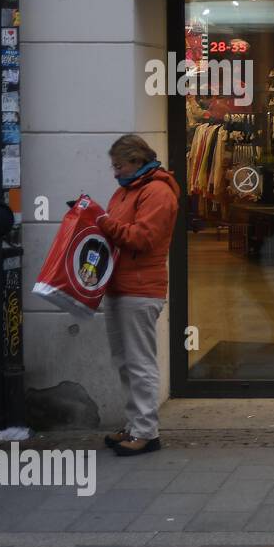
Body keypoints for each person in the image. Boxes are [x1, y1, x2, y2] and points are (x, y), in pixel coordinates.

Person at [96, 135, 179, 456]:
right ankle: (134, 425)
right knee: (125, 362)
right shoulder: (127, 190)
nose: (115, 172)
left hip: (141, 287)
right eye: (113, 166)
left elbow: (142, 237)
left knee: (140, 363)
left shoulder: (157, 191)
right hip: (119, 285)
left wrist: (102, 222)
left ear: (135, 161)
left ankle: (146, 432)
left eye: (119, 165)